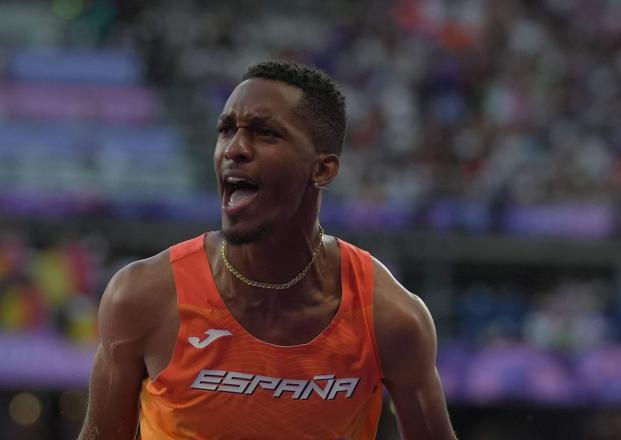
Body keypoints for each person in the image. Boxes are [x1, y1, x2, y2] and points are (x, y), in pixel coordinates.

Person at [78, 60, 457, 440]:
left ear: (322, 170)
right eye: (226, 130)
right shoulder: (144, 298)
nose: (235, 149)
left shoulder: (390, 318)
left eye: (264, 133)